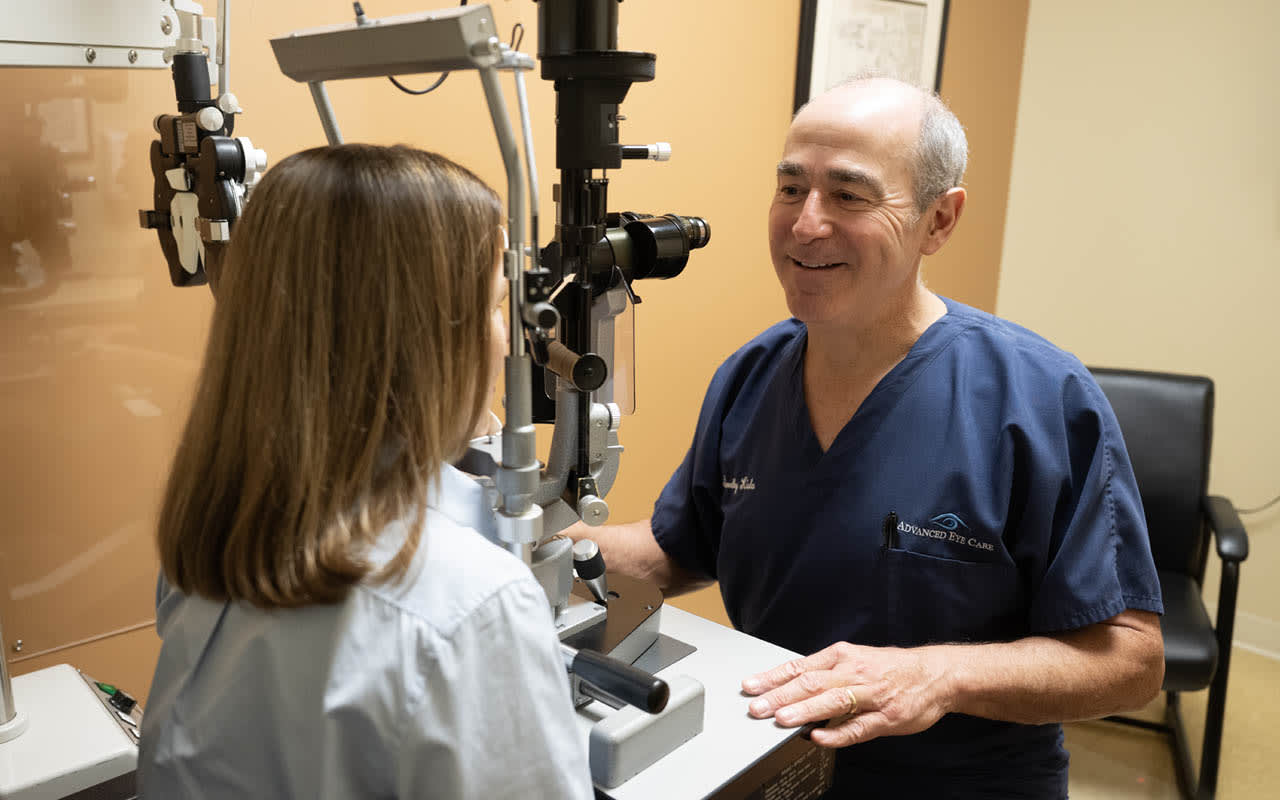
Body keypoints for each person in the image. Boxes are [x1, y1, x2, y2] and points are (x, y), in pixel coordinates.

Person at [569, 78, 1165, 798]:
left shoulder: (1040, 398)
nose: (805, 224)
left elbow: (1130, 659)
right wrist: (530, 546)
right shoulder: (752, 376)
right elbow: (676, 548)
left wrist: (936, 675)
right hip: (770, 759)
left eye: (849, 195)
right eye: (791, 188)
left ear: (938, 221)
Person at [138, 144, 593, 799]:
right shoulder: (471, 607)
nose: (507, 339)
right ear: (420, 336)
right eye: (496, 305)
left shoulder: (214, 541)